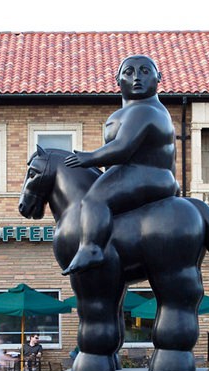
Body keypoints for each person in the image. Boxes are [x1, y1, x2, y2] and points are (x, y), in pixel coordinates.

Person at [63, 54, 179, 275]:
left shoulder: (143, 110)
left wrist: (88, 158)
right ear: (117, 80)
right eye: (129, 72)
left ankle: (91, 248)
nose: (137, 78)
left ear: (159, 78)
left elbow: (123, 147)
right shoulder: (147, 110)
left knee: (93, 200)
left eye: (145, 71)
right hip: (152, 176)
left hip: (145, 174)